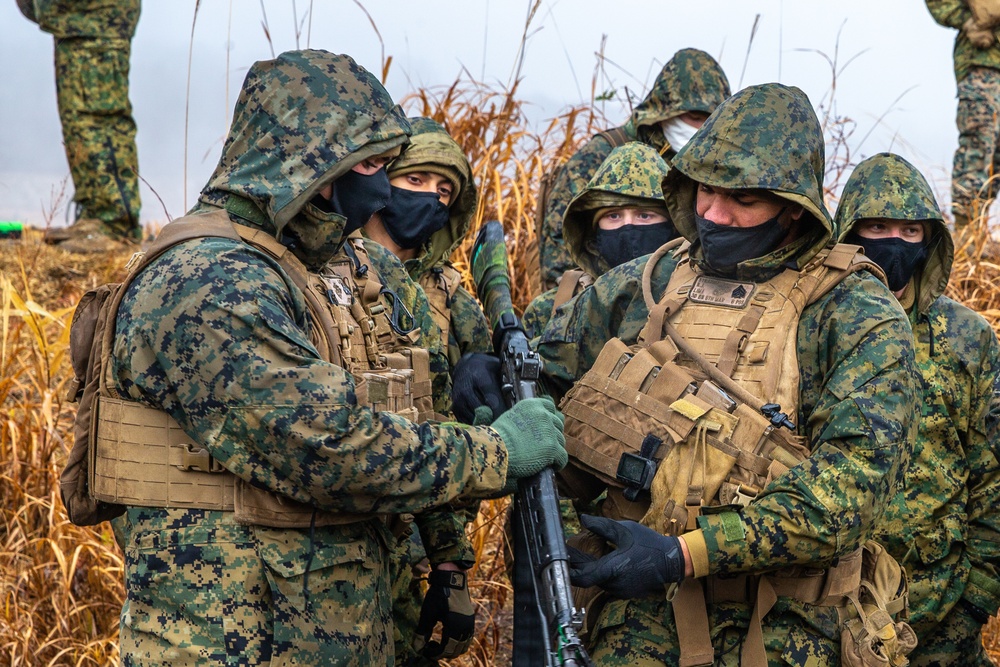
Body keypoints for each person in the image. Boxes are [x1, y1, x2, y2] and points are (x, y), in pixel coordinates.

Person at [98, 49, 566, 666]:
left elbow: (406, 402)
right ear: (303, 159)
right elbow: (327, 446)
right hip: (232, 637)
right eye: (368, 165)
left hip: (330, 628)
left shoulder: (331, 265)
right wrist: (495, 452)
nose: (378, 190)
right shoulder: (207, 281)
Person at [458, 83, 920, 665]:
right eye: (706, 189)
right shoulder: (642, 284)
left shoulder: (854, 313)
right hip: (634, 623)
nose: (714, 215)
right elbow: (547, 388)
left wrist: (684, 554)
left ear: (793, 205)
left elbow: (851, 494)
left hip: (785, 628)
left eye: (743, 200)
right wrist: (491, 376)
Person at [835, 152, 1000, 666]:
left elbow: (994, 478)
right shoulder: (816, 326)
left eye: (910, 230)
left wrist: (976, 598)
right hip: (833, 613)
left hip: (943, 615)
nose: (893, 244)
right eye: (877, 227)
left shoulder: (968, 338)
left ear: (930, 239)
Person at [361, 117, 493, 665]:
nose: (432, 201)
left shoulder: (449, 296)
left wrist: (450, 563)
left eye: (445, 192)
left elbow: (454, 424)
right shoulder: (323, 276)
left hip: (420, 536)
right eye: (416, 181)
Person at [537, 48, 730, 291]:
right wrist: (577, 300)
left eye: (711, 119)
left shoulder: (716, 164)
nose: (701, 127)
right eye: (693, 116)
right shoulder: (601, 154)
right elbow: (561, 246)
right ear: (664, 110)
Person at [18, 0, 143, 252]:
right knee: (78, 121)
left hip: (96, 20)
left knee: (99, 119)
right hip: (73, 20)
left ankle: (115, 224)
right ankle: (95, 215)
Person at [523, 142, 673, 338]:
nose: (628, 228)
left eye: (644, 215)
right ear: (593, 232)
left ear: (673, 227)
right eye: (614, 216)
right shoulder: (552, 310)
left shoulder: (692, 303)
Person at [925, 0, 1000, 235]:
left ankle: (979, 233)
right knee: (979, 144)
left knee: (996, 158)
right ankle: (968, 233)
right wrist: (967, 22)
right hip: (982, 64)